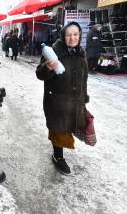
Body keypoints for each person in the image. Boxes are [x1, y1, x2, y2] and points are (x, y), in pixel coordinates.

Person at [35, 21, 89, 175]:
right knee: (58, 128)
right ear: (63, 36)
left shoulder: (81, 53)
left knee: (68, 127)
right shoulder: (53, 51)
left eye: (76, 34)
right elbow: (39, 74)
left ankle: (59, 150)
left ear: (80, 35)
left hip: (74, 100)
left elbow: (84, 78)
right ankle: (57, 156)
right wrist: (48, 67)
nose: (72, 38)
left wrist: (84, 98)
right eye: (69, 35)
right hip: (56, 101)